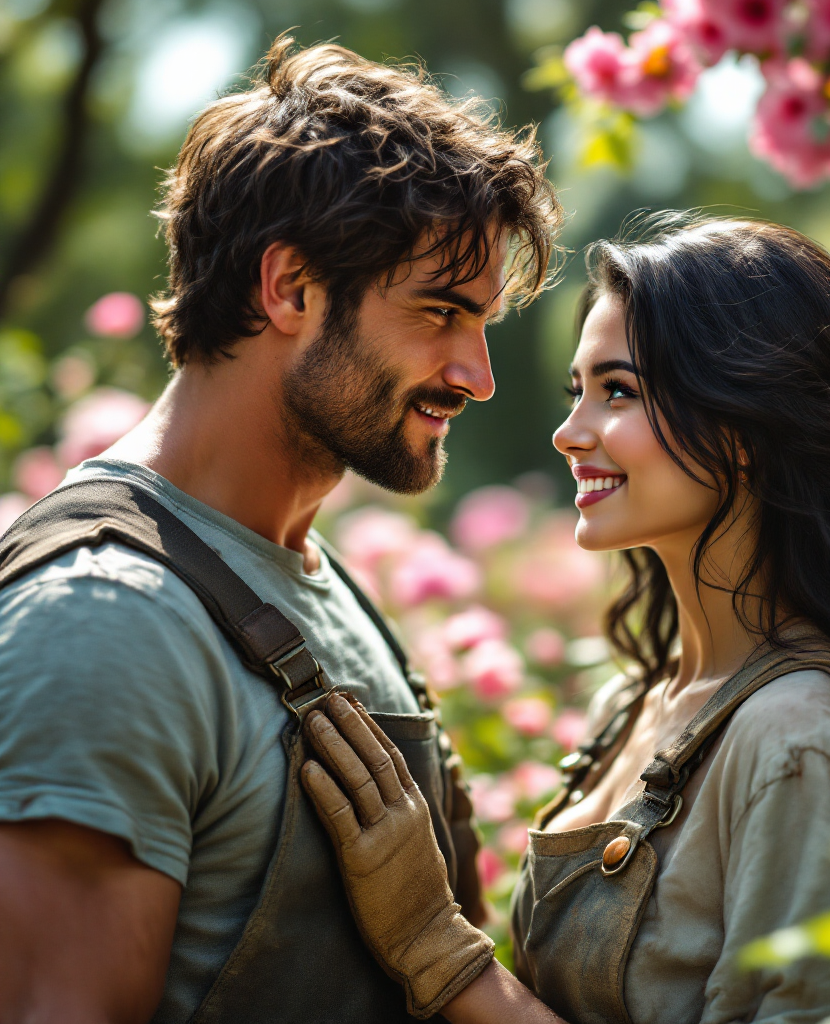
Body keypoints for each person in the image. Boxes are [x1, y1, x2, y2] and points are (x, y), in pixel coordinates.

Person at [301, 213, 830, 1024]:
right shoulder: (635, 703)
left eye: (618, 391)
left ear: (743, 426)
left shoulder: (798, 742)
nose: (569, 433)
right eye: (578, 392)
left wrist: (436, 950)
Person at [0, 37, 560, 1024]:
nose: (479, 375)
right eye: (439, 311)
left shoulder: (312, 574)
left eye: (482, 323)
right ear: (289, 288)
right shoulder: (103, 624)